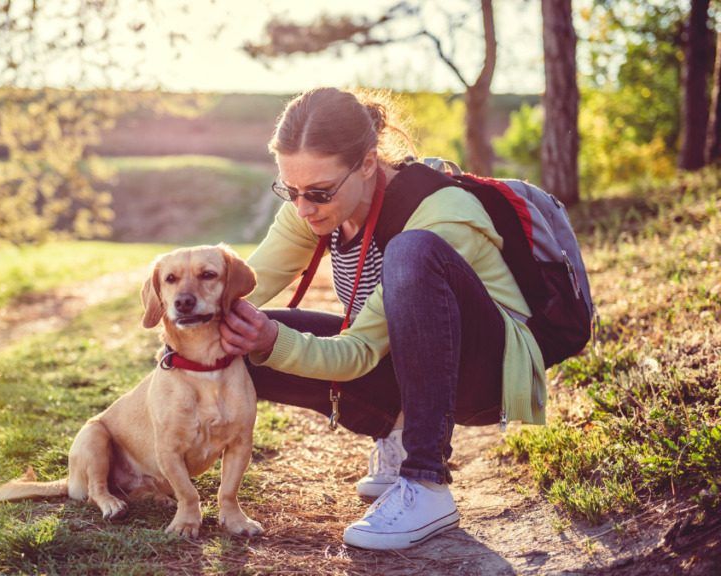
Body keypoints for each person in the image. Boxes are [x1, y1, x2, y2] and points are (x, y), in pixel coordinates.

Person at [219, 87, 547, 551]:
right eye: (290, 191)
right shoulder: (313, 207)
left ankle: (427, 481)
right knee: (232, 337)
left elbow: (358, 353)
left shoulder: (439, 214)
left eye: (318, 192)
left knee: (410, 253)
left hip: (483, 375)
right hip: (401, 359)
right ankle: (394, 430)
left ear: (368, 164)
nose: (303, 207)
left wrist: (275, 340)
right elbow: (241, 288)